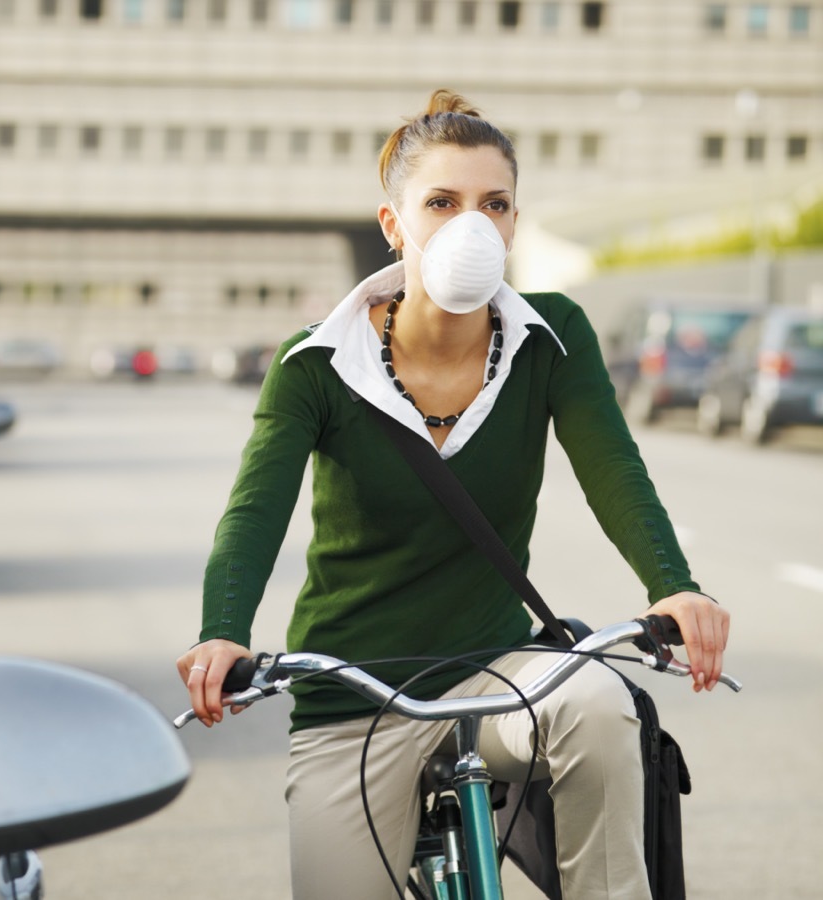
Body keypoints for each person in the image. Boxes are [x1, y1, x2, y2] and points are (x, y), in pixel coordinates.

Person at [176, 89, 731, 900]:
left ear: (512, 224)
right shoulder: (317, 363)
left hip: (499, 671)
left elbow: (614, 468)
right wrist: (223, 634)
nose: (471, 223)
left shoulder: (554, 337)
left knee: (601, 705)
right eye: (442, 202)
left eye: (493, 204)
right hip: (352, 688)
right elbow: (255, 510)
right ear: (395, 224)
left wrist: (673, 585)